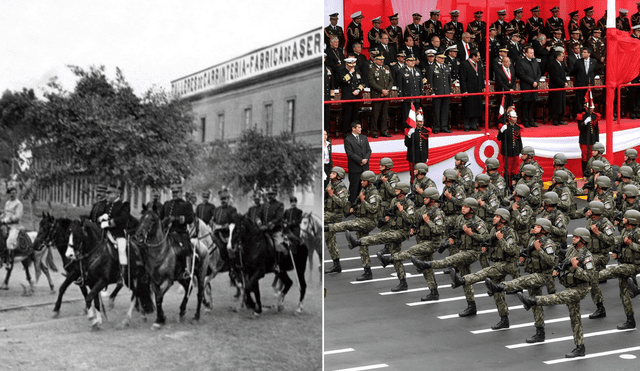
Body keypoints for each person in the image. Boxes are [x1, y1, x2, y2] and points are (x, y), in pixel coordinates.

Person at [516, 227, 595, 358]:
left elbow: (590, 277)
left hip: (580, 289)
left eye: (576, 237)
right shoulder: (572, 249)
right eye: (574, 236)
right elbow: (564, 261)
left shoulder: (587, 256)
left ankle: (533, 301)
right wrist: (559, 269)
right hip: (571, 286)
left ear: (583, 240)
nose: (573, 238)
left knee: (557, 297)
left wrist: (576, 268)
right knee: (575, 318)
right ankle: (580, 347)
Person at [411, 198, 490, 316]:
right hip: (462, 249)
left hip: (473, 252)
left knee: (450, 260)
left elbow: (486, 238)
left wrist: (471, 234)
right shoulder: (459, 219)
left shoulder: (478, 223)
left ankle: (426, 264)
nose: (463, 208)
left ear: (472, 210)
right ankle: (471, 306)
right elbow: (453, 231)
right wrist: (452, 240)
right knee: (466, 279)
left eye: (466, 206)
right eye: (462, 206)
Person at [485, 218, 558, 344]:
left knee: (521, 281)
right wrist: (524, 256)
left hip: (543, 275)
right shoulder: (532, 239)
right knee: (535, 304)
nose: (534, 227)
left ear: (544, 230)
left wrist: (539, 249)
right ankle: (540, 333)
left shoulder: (548, 243)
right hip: (533, 273)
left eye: (537, 226)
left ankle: (501, 287)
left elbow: (551, 261)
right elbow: (528, 251)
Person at [450, 208, 518, 329]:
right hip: (497, 263)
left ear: (503, 219)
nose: (493, 218)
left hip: (508, 265)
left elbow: (511, 250)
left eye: (497, 217)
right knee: (498, 294)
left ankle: (462, 280)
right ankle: (504, 320)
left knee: (484, 272)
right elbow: (489, 242)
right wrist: (487, 247)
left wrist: (500, 239)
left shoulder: (509, 232)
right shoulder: (493, 229)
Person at [347, 182, 415, 291]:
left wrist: (402, 210)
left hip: (402, 232)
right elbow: (391, 214)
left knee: (380, 237)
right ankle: (403, 282)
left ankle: (358, 242)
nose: (395, 190)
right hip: (393, 229)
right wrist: (387, 218)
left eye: (397, 189)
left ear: (403, 192)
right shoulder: (394, 201)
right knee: (396, 257)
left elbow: (411, 220)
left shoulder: (409, 204)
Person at [378, 187, 444, 300]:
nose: (424, 199)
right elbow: (414, 219)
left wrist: (429, 222)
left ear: (432, 200)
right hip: (423, 240)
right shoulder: (423, 208)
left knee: (411, 251)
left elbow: (439, 230)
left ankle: (390, 259)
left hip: (432, 243)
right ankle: (434, 292)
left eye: (427, 198)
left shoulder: (437, 213)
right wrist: (414, 227)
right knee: (426, 268)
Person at [325, 171, 380, 278]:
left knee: (347, 225)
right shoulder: (365, 189)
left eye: (364, 180)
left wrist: (363, 201)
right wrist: (354, 208)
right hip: (362, 218)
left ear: (369, 182)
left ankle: (326, 228)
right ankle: (367, 272)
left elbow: (373, 209)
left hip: (369, 221)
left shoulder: (374, 194)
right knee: (362, 246)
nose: (362, 182)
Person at [597, 209, 640, 330]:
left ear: (631, 220)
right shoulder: (626, 230)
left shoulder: (637, 233)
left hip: (634, 266)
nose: (623, 219)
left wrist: (631, 244)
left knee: (612, 271)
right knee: (624, 294)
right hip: (625, 264)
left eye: (625, 217)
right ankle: (630, 321)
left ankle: (592, 276)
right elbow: (617, 241)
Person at [160, 183, 194, 279]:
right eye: (173, 192)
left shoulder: (186, 205)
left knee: (185, 248)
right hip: (167, 232)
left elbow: (190, 218)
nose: (174, 194)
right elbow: (160, 217)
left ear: (181, 192)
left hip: (180, 232)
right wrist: (164, 221)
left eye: (176, 192)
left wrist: (176, 219)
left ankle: (186, 270)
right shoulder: (167, 204)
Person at [97, 184, 131, 284]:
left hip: (118, 233)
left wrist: (109, 222)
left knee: (121, 249)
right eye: (107, 193)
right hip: (105, 233)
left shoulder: (124, 205)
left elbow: (123, 218)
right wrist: (101, 218)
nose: (107, 195)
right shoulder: (108, 205)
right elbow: (100, 216)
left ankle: (122, 275)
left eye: (109, 193)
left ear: (117, 194)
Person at [324, 166, 350, 274]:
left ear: (338, 176)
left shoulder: (341, 188)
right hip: (328, 212)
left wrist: (331, 195)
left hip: (335, 214)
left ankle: (336, 264)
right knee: (329, 239)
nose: (330, 174)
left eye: (333, 173)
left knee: (328, 237)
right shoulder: (331, 184)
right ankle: (336, 264)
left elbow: (343, 203)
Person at [210, 187, 239, 271]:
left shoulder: (232, 209)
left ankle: (232, 266)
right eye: (222, 199)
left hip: (227, 234)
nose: (223, 201)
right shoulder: (216, 210)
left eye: (225, 199)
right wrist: (212, 223)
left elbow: (235, 223)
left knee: (228, 248)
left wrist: (226, 226)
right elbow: (213, 220)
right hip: (216, 234)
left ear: (228, 199)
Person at [344, 121, 371, 205]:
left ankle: (362, 205)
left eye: (360, 127)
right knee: (354, 188)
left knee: (364, 188)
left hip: (365, 168)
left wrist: (366, 159)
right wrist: (360, 160)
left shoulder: (364, 137)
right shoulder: (348, 139)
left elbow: (368, 150)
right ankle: (352, 205)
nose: (360, 129)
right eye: (358, 127)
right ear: (353, 128)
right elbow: (350, 154)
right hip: (355, 168)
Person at [396, 53, 425, 125]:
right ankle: (407, 129)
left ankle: (416, 127)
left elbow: (420, 84)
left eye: (414, 60)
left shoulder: (417, 70)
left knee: (417, 113)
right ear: (406, 61)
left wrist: (421, 93)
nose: (413, 62)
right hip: (407, 96)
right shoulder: (401, 71)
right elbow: (399, 84)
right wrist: (401, 95)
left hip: (416, 96)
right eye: (410, 60)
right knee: (407, 114)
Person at [516, 46, 541, 128]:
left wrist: (536, 81)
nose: (532, 54)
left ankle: (531, 120)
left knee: (532, 104)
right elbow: (522, 74)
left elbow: (539, 72)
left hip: (534, 86)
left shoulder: (535, 61)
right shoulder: (521, 62)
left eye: (533, 53)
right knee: (526, 104)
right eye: (530, 53)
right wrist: (532, 81)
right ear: (526, 53)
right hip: (526, 86)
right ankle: (525, 120)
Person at [368, 54, 393, 138]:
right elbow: (372, 83)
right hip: (377, 95)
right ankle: (374, 131)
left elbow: (391, 80)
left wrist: (387, 90)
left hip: (386, 94)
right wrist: (382, 90)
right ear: (374, 60)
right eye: (379, 59)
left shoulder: (386, 67)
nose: (381, 61)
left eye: (382, 59)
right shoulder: (371, 69)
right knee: (375, 114)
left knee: (385, 114)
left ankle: (384, 130)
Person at [259, 187, 287, 257]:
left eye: (272, 194)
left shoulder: (280, 204)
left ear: (275, 195)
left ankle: (277, 264)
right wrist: (258, 222)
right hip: (263, 231)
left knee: (278, 246)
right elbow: (258, 215)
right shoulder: (264, 205)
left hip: (275, 231)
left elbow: (279, 217)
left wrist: (270, 224)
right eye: (269, 194)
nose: (270, 196)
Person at [460, 49, 484, 131]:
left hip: (478, 89)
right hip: (468, 89)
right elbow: (462, 79)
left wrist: (483, 87)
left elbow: (481, 76)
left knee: (477, 108)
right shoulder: (464, 64)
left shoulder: (479, 63)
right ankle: (466, 126)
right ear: (473, 56)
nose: (479, 58)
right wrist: (464, 90)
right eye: (478, 56)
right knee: (468, 108)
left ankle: (474, 125)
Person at [338, 58, 364, 136]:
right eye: (350, 65)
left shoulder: (357, 72)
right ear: (346, 64)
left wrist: (358, 90)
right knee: (347, 115)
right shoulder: (342, 71)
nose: (352, 67)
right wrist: (350, 73)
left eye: (353, 65)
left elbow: (362, 83)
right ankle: (345, 132)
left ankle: (355, 131)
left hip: (356, 97)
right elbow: (343, 80)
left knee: (355, 115)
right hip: (347, 97)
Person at [427, 53, 452, 134]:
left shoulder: (446, 66)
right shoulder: (431, 67)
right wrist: (432, 92)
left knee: (445, 110)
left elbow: (449, 80)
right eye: (441, 58)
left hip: (446, 92)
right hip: (437, 92)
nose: (443, 59)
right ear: (436, 58)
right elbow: (430, 81)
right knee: (436, 111)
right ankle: (436, 127)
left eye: (444, 58)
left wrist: (450, 90)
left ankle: (444, 126)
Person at [497, 109, 522, 186]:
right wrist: (502, 131)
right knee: (507, 170)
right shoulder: (505, 127)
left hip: (515, 152)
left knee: (515, 170)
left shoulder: (517, 128)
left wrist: (520, 150)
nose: (515, 119)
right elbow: (499, 138)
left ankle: (514, 184)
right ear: (509, 118)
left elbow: (519, 140)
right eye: (513, 117)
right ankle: (507, 185)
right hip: (507, 152)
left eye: (515, 117)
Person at [0, 187, 23, 267]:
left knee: (9, 241)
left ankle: (9, 260)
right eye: (11, 193)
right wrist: (1, 217)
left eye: (13, 193)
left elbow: (18, 216)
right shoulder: (7, 203)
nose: (12, 194)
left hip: (14, 226)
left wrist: (7, 220)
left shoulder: (18, 204)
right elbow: (4, 213)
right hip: (5, 225)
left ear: (16, 193)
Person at [577, 103, 600, 178]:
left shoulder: (594, 116)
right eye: (590, 108)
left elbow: (596, 129)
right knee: (584, 157)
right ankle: (585, 174)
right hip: (584, 139)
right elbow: (580, 128)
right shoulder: (582, 116)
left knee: (592, 157)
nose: (592, 109)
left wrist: (597, 141)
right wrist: (585, 122)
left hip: (592, 140)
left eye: (593, 108)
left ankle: (591, 173)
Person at [404, 111, 429, 177]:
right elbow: (407, 144)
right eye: (419, 122)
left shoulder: (425, 131)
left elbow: (426, 145)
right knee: (413, 175)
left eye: (422, 121)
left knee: (422, 174)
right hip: (413, 156)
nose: (421, 123)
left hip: (422, 157)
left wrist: (426, 156)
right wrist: (409, 135)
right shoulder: (411, 131)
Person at [547, 51, 568, 126]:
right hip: (555, 87)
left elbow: (564, 74)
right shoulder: (553, 65)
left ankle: (561, 118)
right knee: (556, 104)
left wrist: (565, 82)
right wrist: (563, 83)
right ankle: (555, 119)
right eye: (562, 56)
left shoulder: (562, 64)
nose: (563, 57)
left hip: (562, 87)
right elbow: (555, 77)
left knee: (562, 103)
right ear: (558, 57)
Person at [494, 56, 516, 125]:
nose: (508, 63)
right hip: (502, 92)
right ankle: (500, 123)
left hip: (510, 93)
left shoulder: (511, 69)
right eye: (507, 62)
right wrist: (508, 89)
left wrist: (513, 89)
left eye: (509, 61)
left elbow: (514, 80)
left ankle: (510, 122)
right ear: (503, 63)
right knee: (502, 108)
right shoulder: (499, 71)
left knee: (510, 107)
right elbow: (500, 83)